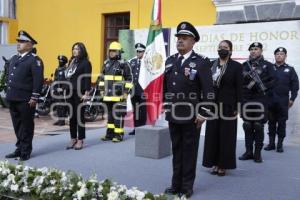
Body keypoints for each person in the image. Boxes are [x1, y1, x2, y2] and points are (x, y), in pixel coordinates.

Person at [163, 22, 214, 198]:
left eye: (184, 38)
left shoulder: (201, 63)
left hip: (192, 116)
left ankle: (186, 187)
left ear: (193, 41)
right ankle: (175, 184)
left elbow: (208, 91)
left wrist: (204, 112)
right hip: (173, 114)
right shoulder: (170, 61)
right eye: (178, 38)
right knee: (176, 150)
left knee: (189, 151)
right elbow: (166, 89)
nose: (180, 41)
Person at [202, 40, 243, 176]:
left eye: (225, 47)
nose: (222, 49)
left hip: (228, 106)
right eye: (220, 47)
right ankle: (213, 163)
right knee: (212, 135)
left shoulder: (236, 67)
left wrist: (238, 106)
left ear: (230, 50)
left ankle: (223, 165)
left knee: (226, 136)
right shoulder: (211, 65)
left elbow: (239, 88)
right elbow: (206, 85)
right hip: (213, 105)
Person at [5, 30, 43, 161]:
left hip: (26, 99)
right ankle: (19, 147)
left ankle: (26, 151)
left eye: (22, 41)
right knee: (17, 125)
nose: (18, 43)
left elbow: (38, 80)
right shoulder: (15, 58)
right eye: (18, 41)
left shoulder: (34, 60)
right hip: (13, 97)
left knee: (26, 125)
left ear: (30, 44)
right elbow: (9, 76)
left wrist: (34, 97)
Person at [239, 42, 276, 163]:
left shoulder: (268, 66)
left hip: (261, 99)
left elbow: (275, 81)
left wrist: (262, 86)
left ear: (261, 51)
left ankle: (257, 153)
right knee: (247, 125)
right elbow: (238, 83)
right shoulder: (244, 66)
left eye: (256, 49)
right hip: (247, 99)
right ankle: (248, 151)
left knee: (258, 125)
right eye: (252, 49)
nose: (254, 51)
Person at [264, 47, 299, 152]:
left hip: (283, 101)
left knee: (282, 123)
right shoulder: (269, 68)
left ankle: (279, 145)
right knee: (271, 123)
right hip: (270, 100)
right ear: (274, 56)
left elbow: (295, 86)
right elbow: (263, 83)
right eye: (277, 54)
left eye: (282, 54)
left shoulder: (290, 69)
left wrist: (292, 98)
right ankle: (271, 144)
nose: (279, 55)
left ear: (285, 56)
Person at [99, 41, 133, 142]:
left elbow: (129, 79)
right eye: (110, 51)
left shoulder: (124, 64)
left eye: (114, 51)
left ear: (119, 52)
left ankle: (118, 134)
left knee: (118, 115)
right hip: (108, 95)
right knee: (110, 116)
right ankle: (109, 134)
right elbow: (102, 78)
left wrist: (126, 92)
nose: (111, 53)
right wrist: (101, 91)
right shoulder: (106, 63)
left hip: (119, 95)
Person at [65, 42, 91, 150]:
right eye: (73, 48)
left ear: (82, 50)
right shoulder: (72, 62)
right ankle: (73, 138)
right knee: (72, 116)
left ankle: (80, 139)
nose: (74, 50)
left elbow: (87, 79)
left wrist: (87, 94)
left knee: (79, 117)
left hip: (80, 93)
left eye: (77, 49)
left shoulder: (86, 63)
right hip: (70, 92)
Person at [128, 43, 147, 135]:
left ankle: (142, 129)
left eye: (140, 51)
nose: (138, 53)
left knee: (142, 110)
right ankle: (136, 128)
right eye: (137, 51)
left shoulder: (147, 62)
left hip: (143, 90)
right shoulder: (132, 61)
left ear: (144, 52)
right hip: (133, 90)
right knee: (135, 110)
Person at [53, 55, 68, 126]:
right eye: (59, 60)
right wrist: (54, 88)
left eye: (61, 61)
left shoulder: (66, 69)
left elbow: (67, 81)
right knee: (58, 106)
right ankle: (59, 120)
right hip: (57, 90)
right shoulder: (57, 69)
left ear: (64, 62)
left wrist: (62, 88)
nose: (59, 62)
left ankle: (62, 121)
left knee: (62, 106)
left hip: (62, 91)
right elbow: (55, 79)